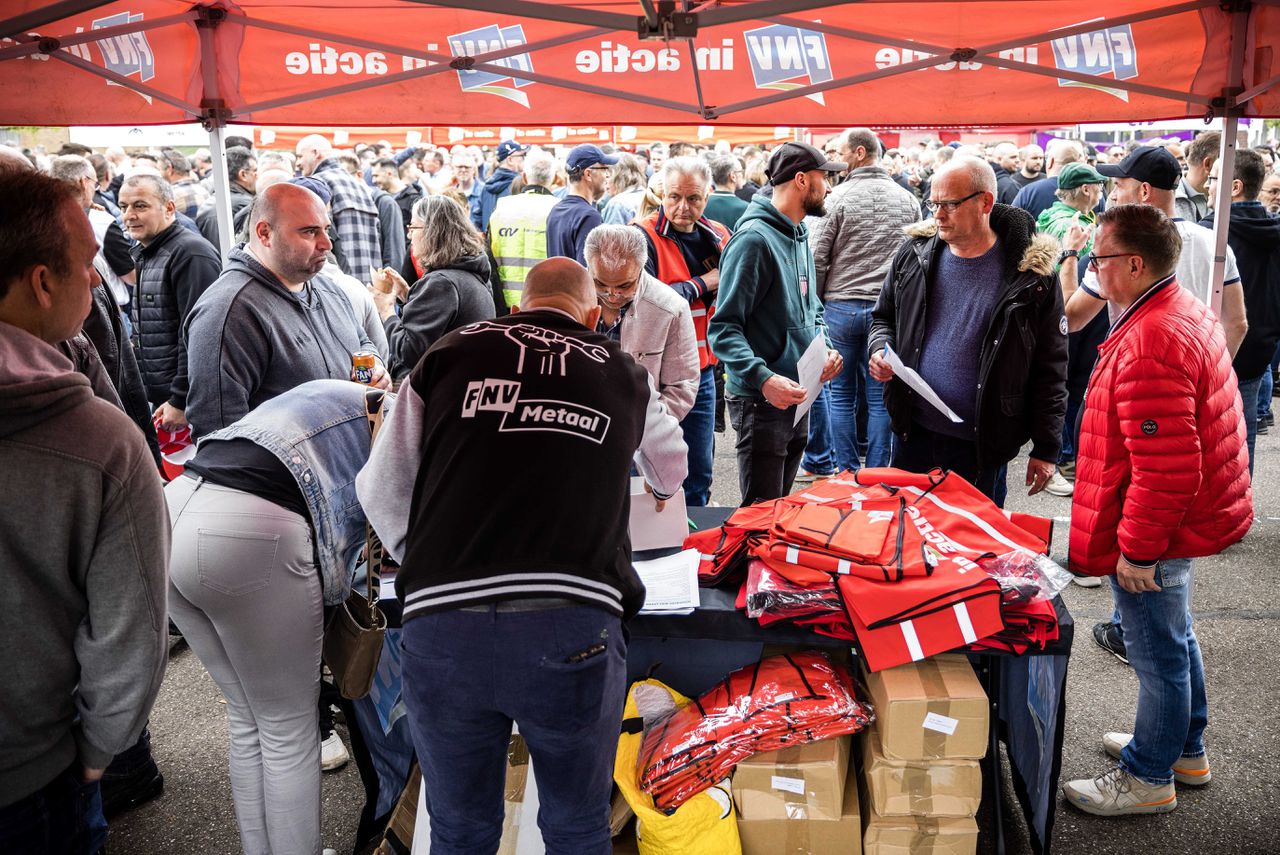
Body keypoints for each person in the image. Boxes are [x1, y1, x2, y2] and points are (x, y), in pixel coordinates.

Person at [356, 257, 687, 854]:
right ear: (593, 317)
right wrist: (656, 492)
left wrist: (432, 557)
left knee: (459, 828)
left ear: (516, 309)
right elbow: (671, 465)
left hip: (442, 627)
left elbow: (378, 486)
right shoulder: (620, 369)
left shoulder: (448, 353)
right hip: (571, 624)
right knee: (576, 825)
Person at [1062, 204, 1252, 817]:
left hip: (1159, 528)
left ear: (1134, 264)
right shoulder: (1174, 307)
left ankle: (1150, 775)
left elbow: (1166, 466)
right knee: (1173, 636)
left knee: (1157, 651)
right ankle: (1181, 748)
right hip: (1180, 519)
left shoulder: (1151, 336)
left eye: (1100, 259)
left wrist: (1139, 549)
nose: (1093, 268)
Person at [0, 169, 168, 853]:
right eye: (87, 266)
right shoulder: (96, 440)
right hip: (33, 781)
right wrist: (96, 754)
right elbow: (131, 631)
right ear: (43, 282)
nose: (98, 281)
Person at [167, 379, 382, 854]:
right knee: (288, 727)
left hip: (175, 505)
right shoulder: (398, 420)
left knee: (250, 718)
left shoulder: (341, 394)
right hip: (244, 529)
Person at [869, 156, 1067, 503]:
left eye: (949, 204)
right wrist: (879, 348)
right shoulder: (915, 253)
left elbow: (1051, 365)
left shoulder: (1031, 276)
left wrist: (1048, 448)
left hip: (981, 444)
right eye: (933, 203)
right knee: (906, 539)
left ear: (985, 202)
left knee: (973, 547)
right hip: (911, 433)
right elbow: (883, 317)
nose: (937, 214)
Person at [184, 182, 389, 439]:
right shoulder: (228, 311)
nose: (327, 243)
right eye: (310, 232)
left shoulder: (326, 287)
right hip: (281, 476)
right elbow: (218, 432)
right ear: (264, 233)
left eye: (326, 229)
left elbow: (362, 341)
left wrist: (376, 366)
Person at [709, 141, 844, 504]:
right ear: (801, 180)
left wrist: (826, 346)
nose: (829, 187)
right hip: (762, 400)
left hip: (799, 394)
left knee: (779, 510)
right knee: (759, 514)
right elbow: (722, 329)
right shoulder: (754, 240)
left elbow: (812, 307)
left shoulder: (798, 233)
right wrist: (763, 379)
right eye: (824, 177)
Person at [809, 128, 921, 473]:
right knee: (880, 397)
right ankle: (875, 473)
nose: (835, 158)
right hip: (887, 312)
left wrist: (817, 304)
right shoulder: (907, 199)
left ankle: (845, 473)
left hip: (841, 306)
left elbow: (816, 258)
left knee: (840, 394)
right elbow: (916, 257)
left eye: (839, 151)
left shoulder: (837, 198)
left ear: (859, 153)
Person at [635, 157, 731, 506]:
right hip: (654, 371)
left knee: (699, 467)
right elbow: (647, 300)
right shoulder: (642, 235)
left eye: (694, 199)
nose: (682, 207)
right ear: (661, 192)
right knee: (649, 464)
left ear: (709, 194)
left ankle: (694, 538)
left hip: (702, 368)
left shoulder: (719, 235)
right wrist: (704, 283)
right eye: (674, 196)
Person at [118, 174, 223, 431]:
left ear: (169, 208)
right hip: (162, 399)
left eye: (140, 206)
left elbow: (202, 334)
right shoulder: (149, 251)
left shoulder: (191, 254)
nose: (129, 215)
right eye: (123, 207)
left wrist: (180, 398)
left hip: (186, 406)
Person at [1199, 147, 1280, 475]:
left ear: (1234, 187)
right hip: (1259, 350)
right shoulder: (1273, 228)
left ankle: (1211, 509)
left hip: (1213, 349)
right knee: (1242, 436)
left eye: (1214, 177)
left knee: (1202, 439)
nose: (1206, 184)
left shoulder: (1211, 231)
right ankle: (1237, 503)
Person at [373, 195, 495, 381]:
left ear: (432, 231)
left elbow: (410, 352)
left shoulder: (442, 283)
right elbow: (450, 321)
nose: (409, 235)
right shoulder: (470, 273)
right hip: (463, 385)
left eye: (413, 227)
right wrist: (408, 294)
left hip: (441, 391)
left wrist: (386, 310)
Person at [585, 225, 699, 419]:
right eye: (600, 284)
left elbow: (681, 387)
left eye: (624, 285)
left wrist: (644, 427)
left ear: (641, 268)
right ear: (588, 266)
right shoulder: (567, 299)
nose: (612, 295)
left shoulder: (671, 307)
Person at [296, 134, 383, 278]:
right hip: (369, 286)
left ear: (315, 153)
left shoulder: (316, 185)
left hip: (338, 287)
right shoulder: (359, 185)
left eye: (300, 156)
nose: (297, 163)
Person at [488, 148, 558, 310]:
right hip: (545, 301)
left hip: (502, 302)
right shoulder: (559, 210)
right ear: (554, 178)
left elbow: (489, 255)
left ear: (524, 177)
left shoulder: (501, 208)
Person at [546, 144, 616, 265]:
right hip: (578, 284)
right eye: (604, 169)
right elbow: (589, 271)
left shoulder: (556, 210)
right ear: (588, 174)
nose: (607, 175)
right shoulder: (588, 216)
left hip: (558, 283)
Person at [196, 145, 257, 249]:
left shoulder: (209, 201)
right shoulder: (246, 205)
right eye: (255, 171)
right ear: (243, 175)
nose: (257, 175)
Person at [479, 140, 528, 231]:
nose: (524, 159)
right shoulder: (520, 185)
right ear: (510, 160)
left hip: (489, 243)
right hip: (511, 243)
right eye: (522, 156)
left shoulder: (486, 186)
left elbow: (477, 220)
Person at [1176, 131, 1219, 223]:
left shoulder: (1229, 196)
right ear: (1208, 164)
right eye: (1231, 161)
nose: (1235, 167)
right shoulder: (1170, 198)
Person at [601, 153, 649, 226]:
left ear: (619, 177)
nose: (605, 180)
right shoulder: (647, 195)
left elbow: (612, 237)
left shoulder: (617, 204)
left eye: (608, 176)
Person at [704, 155, 749, 232]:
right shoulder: (745, 208)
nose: (742, 175)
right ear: (733, 176)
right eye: (741, 171)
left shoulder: (702, 203)